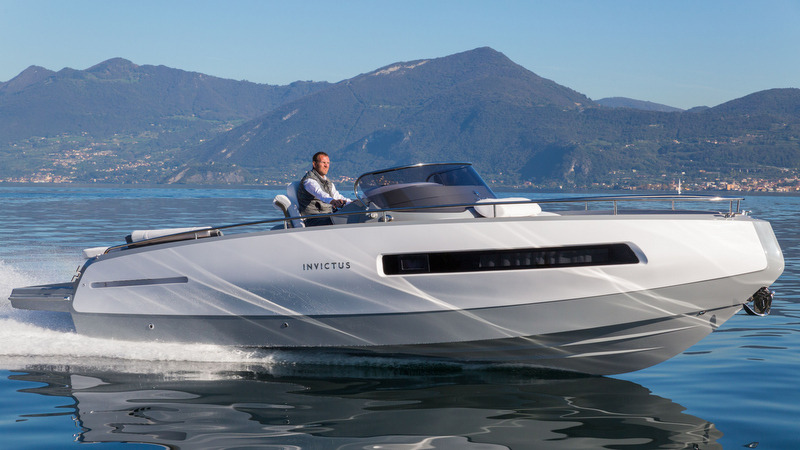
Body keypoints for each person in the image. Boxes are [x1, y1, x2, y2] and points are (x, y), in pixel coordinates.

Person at [296, 152, 352, 226]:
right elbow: (320, 193)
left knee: (351, 216)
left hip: (327, 216)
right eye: (323, 162)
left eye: (328, 163)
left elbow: (337, 196)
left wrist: (351, 202)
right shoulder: (309, 181)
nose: (326, 165)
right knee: (342, 220)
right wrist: (332, 201)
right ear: (314, 164)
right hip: (312, 219)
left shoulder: (328, 182)